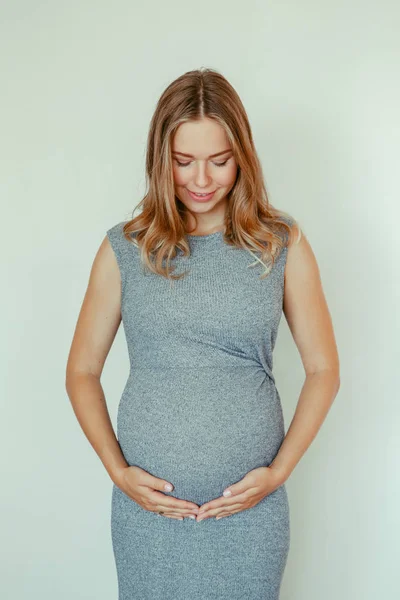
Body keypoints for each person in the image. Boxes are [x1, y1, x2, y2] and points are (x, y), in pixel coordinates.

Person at [65, 67, 340, 600]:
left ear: (244, 157)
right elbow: (81, 372)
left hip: (250, 516)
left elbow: (324, 371)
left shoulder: (281, 245)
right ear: (159, 158)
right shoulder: (126, 248)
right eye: (183, 161)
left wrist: (279, 472)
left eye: (219, 161)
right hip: (148, 517)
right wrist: (117, 471)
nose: (201, 179)